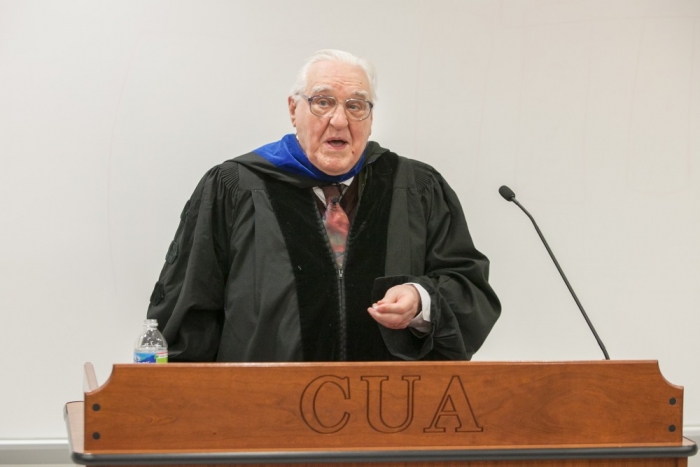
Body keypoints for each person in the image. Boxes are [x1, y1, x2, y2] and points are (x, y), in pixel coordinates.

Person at [147, 49, 500, 362]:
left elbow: (467, 286)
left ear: (371, 117)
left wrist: (422, 299)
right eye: (323, 102)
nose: (340, 120)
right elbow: (188, 310)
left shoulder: (416, 188)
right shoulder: (235, 188)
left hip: (389, 416)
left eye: (355, 105)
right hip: (264, 414)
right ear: (293, 109)